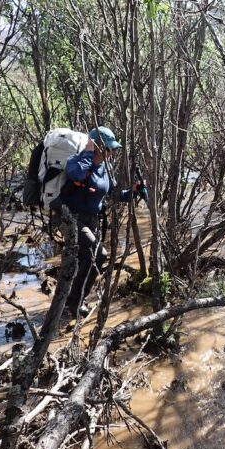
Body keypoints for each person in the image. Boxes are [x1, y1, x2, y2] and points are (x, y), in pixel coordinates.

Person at [62, 126, 141, 318]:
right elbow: (77, 175)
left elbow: (114, 194)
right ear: (96, 146)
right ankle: (73, 302)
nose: (112, 153)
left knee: (86, 260)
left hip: (93, 219)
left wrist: (133, 191)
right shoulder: (76, 161)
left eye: (113, 149)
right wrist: (89, 153)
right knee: (98, 255)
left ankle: (73, 300)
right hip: (72, 218)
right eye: (108, 149)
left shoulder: (106, 168)